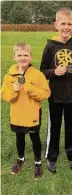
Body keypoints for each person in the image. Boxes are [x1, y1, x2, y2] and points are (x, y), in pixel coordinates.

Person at [40, 7, 72, 173]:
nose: (66, 27)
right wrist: (53, 72)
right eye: (63, 23)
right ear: (56, 25)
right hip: (55, 96)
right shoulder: (50, 46)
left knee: (70, 127)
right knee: (55, 127)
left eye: (69, 24)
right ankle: (52, 157)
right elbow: (43, 70)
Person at [1, 42, 50, 179]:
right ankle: (20, 159)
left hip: (32, 113)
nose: (23, 58)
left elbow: (46, 94)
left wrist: (29, 88)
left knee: (35, 138)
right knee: (19, 137)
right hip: (17, 113)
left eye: (26, 55)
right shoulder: (9, 76)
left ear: (30, 56)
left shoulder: (37, 75)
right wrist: (14, 91)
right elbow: (5, 95)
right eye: (20, 55)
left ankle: (38, 162)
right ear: (14, 57)